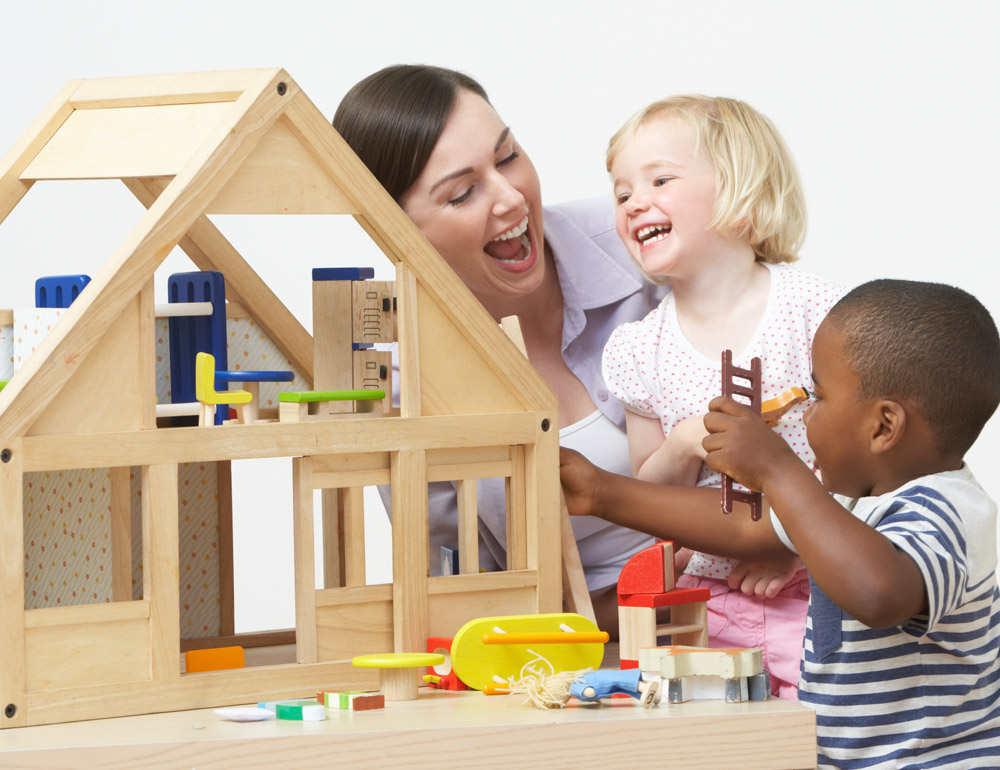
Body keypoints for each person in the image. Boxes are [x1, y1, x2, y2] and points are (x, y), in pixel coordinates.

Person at [562, 279, 1000, 768]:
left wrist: (779, 469)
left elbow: (879, 594)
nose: (807, 410)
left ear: (882, 427)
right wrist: (603, 492)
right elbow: (745, 529)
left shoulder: (950, 509)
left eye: (819, 395)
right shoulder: (846, 502)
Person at [332, 65, 666, 633]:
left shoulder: (644, 236)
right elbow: (466, 598)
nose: (511, 198)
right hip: (593, 660)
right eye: (462, 193)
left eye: (508, 156)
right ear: (393, 231)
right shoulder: (401, 387)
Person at [601, 94, 842, 697]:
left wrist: (789, 547)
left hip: (821, 581)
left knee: (827, 729)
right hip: (708, 603)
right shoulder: (638, 350)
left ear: (740, 191)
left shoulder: (814, 311)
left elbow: (864, 464)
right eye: (622, 191)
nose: (635, 202)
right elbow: (650, 499)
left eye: (659, 179)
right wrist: (683, 445)